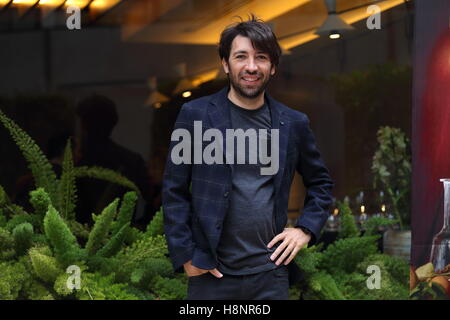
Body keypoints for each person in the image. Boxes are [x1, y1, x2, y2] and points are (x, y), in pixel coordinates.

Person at [162, 15, 334, 300]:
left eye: (261, 57)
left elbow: (321, 184)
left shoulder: (293, 123)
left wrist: (305, 230)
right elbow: (173, 190)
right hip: (210, 275)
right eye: (241, 56)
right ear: (225, 64)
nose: (251, 67)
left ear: (273, 66)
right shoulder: (196, 115)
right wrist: (186, 256)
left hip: (270, 275)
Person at [75, 94, 152, 227]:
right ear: (114, 122)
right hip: (124, 239)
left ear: (83, 124)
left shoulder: (75, 163)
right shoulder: (132, 160)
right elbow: (150, 199)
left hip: (77, 242)